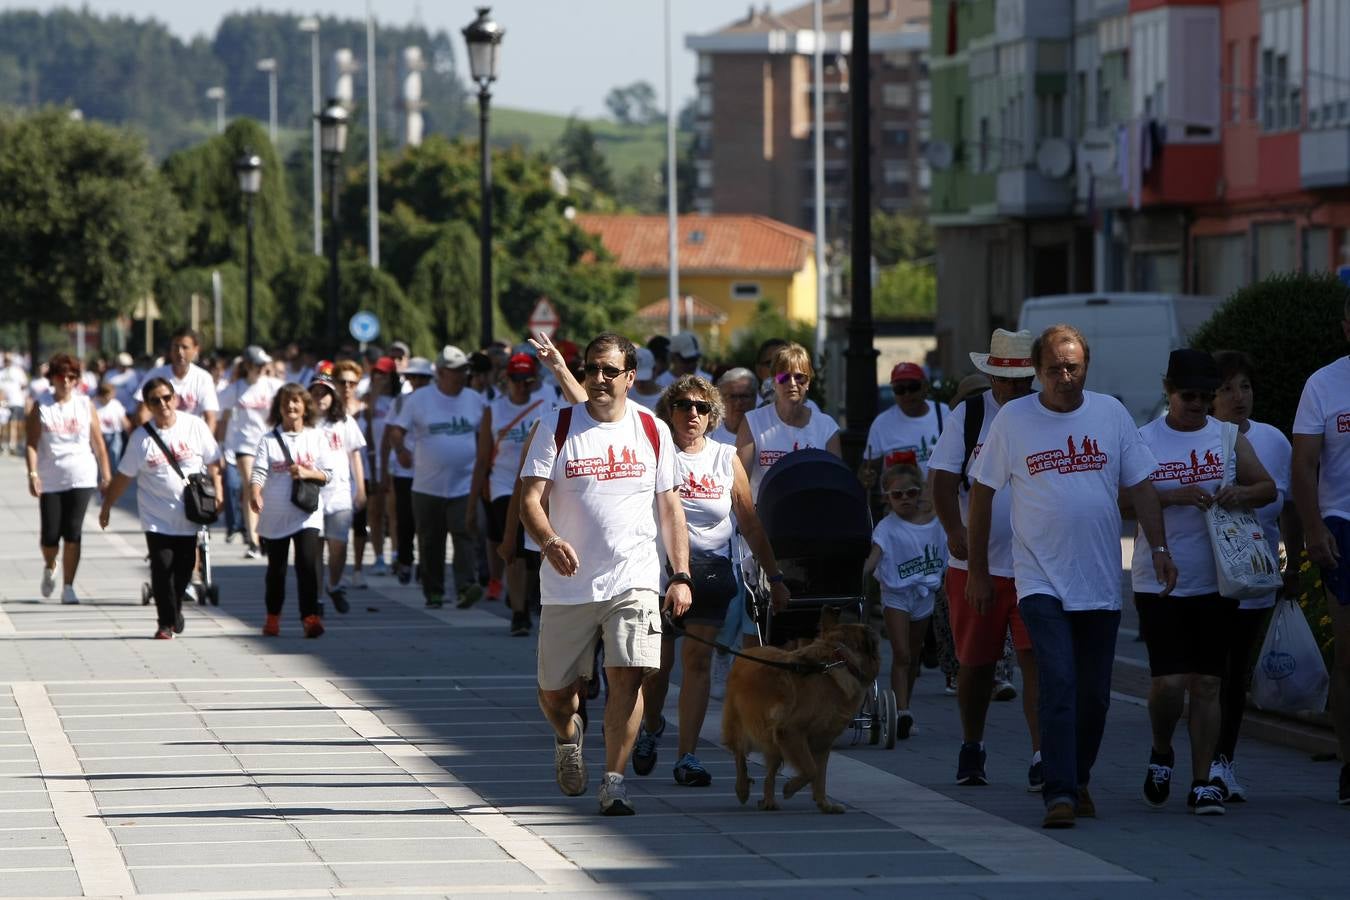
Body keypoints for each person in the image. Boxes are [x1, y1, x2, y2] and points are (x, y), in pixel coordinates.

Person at [966, 323, 1177, 829]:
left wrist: (1160, 547)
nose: (1065, 377)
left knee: (1095, 697)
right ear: (1037, 372)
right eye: (1055, 369)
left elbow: (1143, 487)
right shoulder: (1015, 419)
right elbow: (982, 494)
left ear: (1086, 367)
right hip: (1039, 579)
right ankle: (1058, 792)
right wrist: (977, 570)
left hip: (1099, 581)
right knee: (1058, 681)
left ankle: (1078, 779)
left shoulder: (1111, 414)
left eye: (1073, 368)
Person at [519, 332, 692, 816]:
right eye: (591, 368)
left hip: (633, 578)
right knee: (556, 695)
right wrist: (549, 541)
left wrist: (680, 574)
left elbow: (670, 509)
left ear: (630, 377)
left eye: (609, 370)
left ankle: (614, 782)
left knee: (627, 677)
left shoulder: (652, 429)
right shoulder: (556, 426)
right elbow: (529, 500)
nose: (598, 377)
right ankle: (567, 735)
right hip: (568, 584)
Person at [1126, 349, 1274, 817]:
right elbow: (1120, 502)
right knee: (1169, 683)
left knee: (1208, 683)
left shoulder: (1227, 437)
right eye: (1188, 395)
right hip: (1160, 580)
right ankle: (1161, 750)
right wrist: (1171, 496)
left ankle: (1203, 780)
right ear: (1168, 392)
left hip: (1219, 577)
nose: (1197, 404)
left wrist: (1240, 492)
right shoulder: (1143, 439)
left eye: (1205, 396)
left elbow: (1268, 487)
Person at [634, 375, 790, 786]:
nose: (693, 413)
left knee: (698, 662)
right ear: (669, 412)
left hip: (712, 572)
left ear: (712, 416)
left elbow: (750, 523)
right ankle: (652, 725)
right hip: (661, 574)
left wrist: (775, 577)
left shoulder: (725, 457)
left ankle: (687, 756)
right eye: (684, 405)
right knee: (656, 668)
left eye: (701, 407)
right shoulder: (655, 453)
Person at [929, 328, 1042, 789]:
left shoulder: (1046, 413)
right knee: (976, 665)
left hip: (1035, 567)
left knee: (1037, 662)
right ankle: (972, 744)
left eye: (1022, 382)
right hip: (977, 568)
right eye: (1006, 381)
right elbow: (941, 480)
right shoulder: (970, 414)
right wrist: (955, 532)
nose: (1014, 390)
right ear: (991, 377)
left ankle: (1042, 755)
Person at [1208, 349, 1301, 802]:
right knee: (1206, 674)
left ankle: (1222, 762)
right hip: (1205, 579)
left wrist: (1295, 566)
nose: (1238, 397)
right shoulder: (1200, 438)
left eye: (1244, 386)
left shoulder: (1274, 441)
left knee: (1235, 673)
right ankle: (1193, 759)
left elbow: (1290, 507)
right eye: (1226, 388)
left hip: (1254, 576)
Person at [99, 377, 222, 639]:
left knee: (184, 569)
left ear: (175, 398)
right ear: (148, 405)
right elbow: (123, 476)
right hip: (156, 517)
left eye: (167, 398)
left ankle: (174, 610)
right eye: (155, 401)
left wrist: (219, 493)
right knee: (162, 567)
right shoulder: (141, 438)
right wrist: (107, 505)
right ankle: (165, 623)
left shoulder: (194, 426)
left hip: (189, 515)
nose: (163, 404)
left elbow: (214, 461)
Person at [1290, 298, 1350, 805]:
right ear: (1347, 327)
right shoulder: (1323, 384)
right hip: (1342, 526)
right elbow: (1303, 463)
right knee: (1349, 654)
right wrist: (1312, 528)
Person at [386, 346, 488, 609]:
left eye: (464, 370)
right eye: (456, 371)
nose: (462, 375)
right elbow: (396, 430)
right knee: (430, 540)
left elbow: (486, 435)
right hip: (427, 485)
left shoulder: (475, 399)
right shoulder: (420, 399)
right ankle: (434, 591)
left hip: (464, 484)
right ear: (441, 372)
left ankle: (465, 586)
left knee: (464, 534)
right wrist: (401, 450)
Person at [865, 463, 947, 739]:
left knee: (913, 655)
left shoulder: (935, 523)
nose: (904, 499)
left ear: (920, 492)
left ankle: (905, 708)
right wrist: (858, 573)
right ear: (887, 497)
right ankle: (901, 710)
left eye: (910, 493)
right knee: (902, 654)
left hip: (925, 593)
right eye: (897, 495)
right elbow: (874, 558)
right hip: (897, 595)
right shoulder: (887, 528)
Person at [25, 353, 112, 604]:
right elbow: (31, 443)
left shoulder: (85, 405)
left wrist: (106, 476)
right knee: (50, 536)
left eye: (72, 376)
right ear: (52, 378)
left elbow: (98, 444)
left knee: (73, 532)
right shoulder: (42, 406)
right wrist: (32, 474)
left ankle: (69, 586)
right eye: (61, 375)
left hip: (81, 476)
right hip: (50, 478)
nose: (66, 381)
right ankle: (50, 564)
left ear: (77, 380)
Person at [249, 383, 333, 638]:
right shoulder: (268, 440)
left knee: (307, 565)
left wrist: (307, 472)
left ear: (305, 406)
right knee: (277, 570)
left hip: (307, 513)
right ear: (279, 407)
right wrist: (255, 493)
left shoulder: (317, 437)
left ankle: (310, 618)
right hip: (275, 514)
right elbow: (259, 472)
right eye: (286, 402)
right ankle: (273, 617)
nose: (291, 406)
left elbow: (328, 474)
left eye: (296, 401)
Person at [482, 352, 551, 634]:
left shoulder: (546, 405)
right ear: (507, 379)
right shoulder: (494, 410)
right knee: (516, 547)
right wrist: (478, 492)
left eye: (528, 380)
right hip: (502, 484)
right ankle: (519, 613)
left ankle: (524, 596)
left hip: (536, 484)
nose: (522, 385)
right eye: (517, 379)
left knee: (535, 551)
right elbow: (483, 455)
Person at [737, 342, 841, 499]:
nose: (792, 383)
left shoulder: (827, 427)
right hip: (764, 512)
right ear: (773, 382)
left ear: (808, 382)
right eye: (784, 377)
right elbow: (739, 486)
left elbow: (836, 482)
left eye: (800, 377)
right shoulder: (752, 422)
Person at [309, 364, 367, 613]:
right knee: (316, 548)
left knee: (339, 546)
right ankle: (318, 598)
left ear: (333, 396)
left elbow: (355, 455)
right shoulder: (304, 424)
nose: (320, 398)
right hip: (312, 494)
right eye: (315, 393)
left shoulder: (344, 422)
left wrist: (361, 489)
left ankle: (334, 584)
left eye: (325, 393)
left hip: (340, 493)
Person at [218, 346, 281, 558]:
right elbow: (221, 415)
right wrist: (221, 446)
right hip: (244, 445)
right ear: (247, 365)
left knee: (266, 490)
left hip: (269, 444)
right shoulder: (236, 389)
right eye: (257, 364)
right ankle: (253, 541)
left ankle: (266, 535)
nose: (261, 368)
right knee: (251, 487)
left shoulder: (272, 386)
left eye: (263, 364)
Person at [384, 357, 434, 584]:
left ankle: (426, 564)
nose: (417, 381)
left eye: (422, 378)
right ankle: (405, 560)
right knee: (405, 519)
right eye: (413, 377)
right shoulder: (400, 402)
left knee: (427, 521)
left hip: (429, 469)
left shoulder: (437, 401)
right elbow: (391, 432)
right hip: (405, 470)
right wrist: (400, 451)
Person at [863, 362, 949, 487]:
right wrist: (867, 476)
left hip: (938, 496)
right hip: (898, 497)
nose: (907, 394)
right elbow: (868, 468)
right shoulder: (881, 423)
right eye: (900, 389)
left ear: (925, 387)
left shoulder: (944, 413)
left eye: (913, 387)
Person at [356, 356, 400, 577]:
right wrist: (374, 394)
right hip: (372, 462)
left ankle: (396, 554)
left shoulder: (399, 401)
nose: (379, 377)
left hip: (394, 463)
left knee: (394, 511)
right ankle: (379, 557)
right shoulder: (367, 401)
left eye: (383, 374)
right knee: (375, 511)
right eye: (376, 373)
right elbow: (368, 419)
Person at [132, 327, 219, 432]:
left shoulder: (203, 378)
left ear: (196, 349)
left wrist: (205, 440)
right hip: (161, 435)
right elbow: (142, 414)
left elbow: (210, 418)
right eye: (176, 347)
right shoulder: (155, 375)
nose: (179, 352)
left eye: (185, 347)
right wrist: (154, 437)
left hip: (191, 437)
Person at [93, 381, 128, 463]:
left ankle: (114, 471)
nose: (110, 397)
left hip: (115, 435)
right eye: (107, 395)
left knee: (114, 453)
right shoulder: (93, 405)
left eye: (112, 394)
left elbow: (124, 421)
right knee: (100, 457)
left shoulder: (115, 404)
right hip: (100, 435)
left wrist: (130, 434)